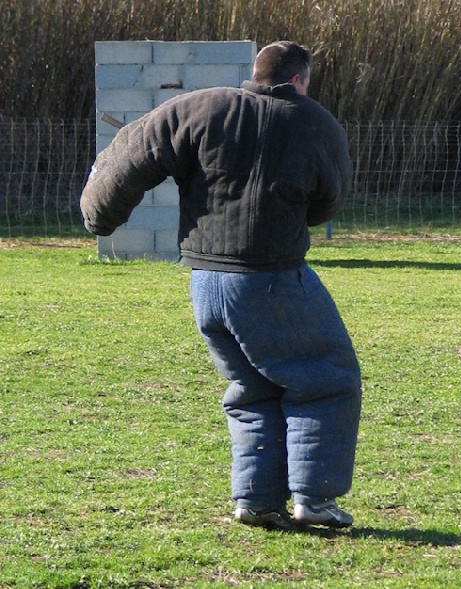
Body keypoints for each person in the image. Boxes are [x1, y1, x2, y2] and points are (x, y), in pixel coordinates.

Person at [80, 41, 362, 531]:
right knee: (326, 378)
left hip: (206, 283)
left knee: (252, 388)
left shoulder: (202, 107)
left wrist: (98, 216)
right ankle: (313, 499)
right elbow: (327, 202)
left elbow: (132, 148)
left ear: (256, 74)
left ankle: (255, 501)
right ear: (299, 80)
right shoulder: (315, 124)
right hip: (270, 277)